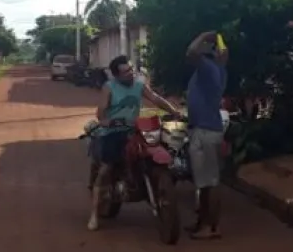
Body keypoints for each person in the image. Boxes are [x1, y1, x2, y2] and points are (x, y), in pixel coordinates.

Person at [89, 55, 179, 231]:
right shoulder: (109, 88)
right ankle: (94, 214)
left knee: (158, 148)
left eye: (131, 69)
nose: (130, 74)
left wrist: (174, 111)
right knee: (106, 169)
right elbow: (101, 113)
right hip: (114, 132)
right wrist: (108, 121)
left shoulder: (139, 85)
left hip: (136, 129)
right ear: (116, 75)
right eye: (126, 72)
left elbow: (155, 98)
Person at [185, 31, 228, 239]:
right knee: (205, 182)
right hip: (205, 129)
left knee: (209, 182)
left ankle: (211, 227)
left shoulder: (207, 68)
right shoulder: (217, 69)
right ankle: (202, 223)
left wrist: (202, 35)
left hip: (205, 130)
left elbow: (190, 52)